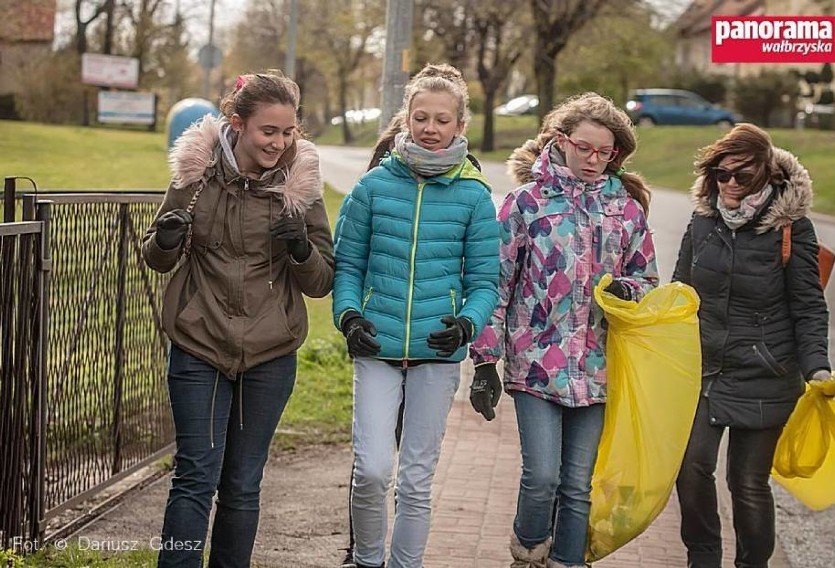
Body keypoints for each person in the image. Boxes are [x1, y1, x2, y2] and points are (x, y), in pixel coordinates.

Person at [142, 70, 334, 568]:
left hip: (270, 351)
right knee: (194, 476)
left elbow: (320, 281)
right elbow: (158, 257)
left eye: (288, 131)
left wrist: (299, 248)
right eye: (268, 131)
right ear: (238, 123)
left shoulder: (301, 185)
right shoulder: (196, 172)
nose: (279, 142)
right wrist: (164, 239)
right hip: (199, 341)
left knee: (243, 483)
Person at [468, 92, 659, 568]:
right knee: (542, 478)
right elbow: (496, 282)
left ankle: (567, 561)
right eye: (585, 148)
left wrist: (626, 291)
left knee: (578, 483)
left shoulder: (626, 210)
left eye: (605, 152)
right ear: (560, 141)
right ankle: (527, 553)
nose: (594, 160)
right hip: (535, 362)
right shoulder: (525, 204)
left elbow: (647, 279)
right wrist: (485, 361)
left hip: (598, 367)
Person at [332, 63, 500, 568]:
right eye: (421, 116)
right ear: (406, 119)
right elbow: (348, 266)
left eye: (442, 120)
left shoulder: (474, 195)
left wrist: (468, 322)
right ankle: (366, 560)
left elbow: (485, 281)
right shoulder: (372, 189)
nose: (431, 127)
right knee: (374, 470)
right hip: (377, 345)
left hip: (436, 350)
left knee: (416, 478)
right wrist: (349, 316)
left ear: (459, 127)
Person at [672, 123, 831, 568]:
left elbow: (808, 305)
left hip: (767, 372)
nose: (730, 185)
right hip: (705, 369)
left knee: (746, 482)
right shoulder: (703, 220)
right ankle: (702, 557)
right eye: (722, 175)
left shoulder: (791, 228)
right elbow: (681, 290)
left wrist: (816, 365)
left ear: (766, 175)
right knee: (690, 469)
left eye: (743, 177)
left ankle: (752, 564)